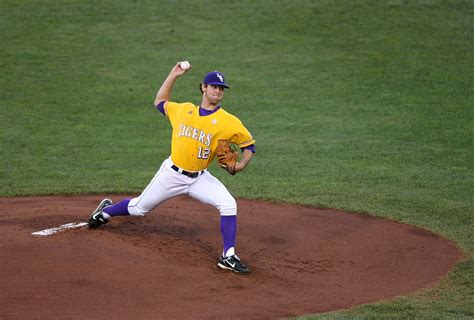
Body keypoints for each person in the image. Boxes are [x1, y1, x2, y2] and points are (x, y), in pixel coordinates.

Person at [88, 62, 256, 275]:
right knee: (140, 208)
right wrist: (173, 74)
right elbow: (160, 101)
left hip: (200, 179)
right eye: (214, 86)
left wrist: (241, 165)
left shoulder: (229, 121)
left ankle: (228, 255)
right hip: (172, 175)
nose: (218, 91)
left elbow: (249, 145)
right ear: (203, 87)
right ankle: (104, 213)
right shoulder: (183, 110)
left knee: (228, 204)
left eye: (221, 88)